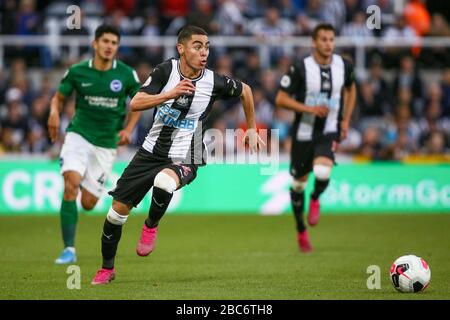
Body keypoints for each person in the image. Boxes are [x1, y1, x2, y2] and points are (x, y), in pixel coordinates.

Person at [91, 25, 264, 285]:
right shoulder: (165, 71)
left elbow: (246, 91)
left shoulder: (214, 81)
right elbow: (136, 103)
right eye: (197, 46)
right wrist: (170, 94)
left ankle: (150, 225)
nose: (203, 52)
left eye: (206, 46)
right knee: (116, 214)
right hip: (150, 151)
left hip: (189, 151)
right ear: (181, 48)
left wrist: (251, 128)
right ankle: (107, 269)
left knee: (164, 181)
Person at [47, 24, 142, 264]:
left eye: (114, 43)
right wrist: (54, 113)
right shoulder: (78, 71)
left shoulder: (126, 74)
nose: (109, 46)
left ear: (117, 47)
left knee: (88, 203)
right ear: (95, 44)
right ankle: (69, 249)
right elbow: (58, 98)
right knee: (71, 185)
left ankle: (83, 188)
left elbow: (139, 102)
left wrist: (129, 129)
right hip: (78, 135)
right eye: (105, 41)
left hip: (106, 144)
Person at [275, 23, 356, 253]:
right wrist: (309, 109)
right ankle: (301, 230)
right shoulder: (300, 68)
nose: (328, 44)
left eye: (331, 39)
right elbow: (281, 99)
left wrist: (346, 119)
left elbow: (351, 89)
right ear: (314, 42)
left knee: (322, 172)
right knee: (297, 184)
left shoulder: (344, 66)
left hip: (329, 130)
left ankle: (316, 196)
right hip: (303, 133)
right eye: (323, 39)